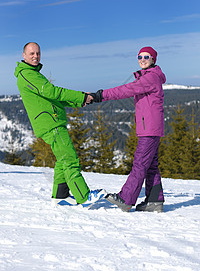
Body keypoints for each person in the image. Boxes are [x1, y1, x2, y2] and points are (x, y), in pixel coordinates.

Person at [15, 42, 106, 208]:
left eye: (38, 53)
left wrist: (80, 100)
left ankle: (60, 195)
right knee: (70, 158)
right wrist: (80, 96)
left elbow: (53, 98)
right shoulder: (27, 74)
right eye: (32, 53)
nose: (35, 56)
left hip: (52, 121)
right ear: (24, 55)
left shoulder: (32, 73)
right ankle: (83, 196)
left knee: (62, 159)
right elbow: (52, 92)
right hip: (50, 123)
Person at [91, 46, 166, 212]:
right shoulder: (149, 76)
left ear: (153, 59)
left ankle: (126, 199)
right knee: (151, 165)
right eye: (140, 56)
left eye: (147, 56)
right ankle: (154, 200)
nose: (142, 59)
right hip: (151, 127)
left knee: (140, 163)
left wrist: (100, 95)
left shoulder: (151, 78)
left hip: (150, 129)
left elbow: (126, 90)